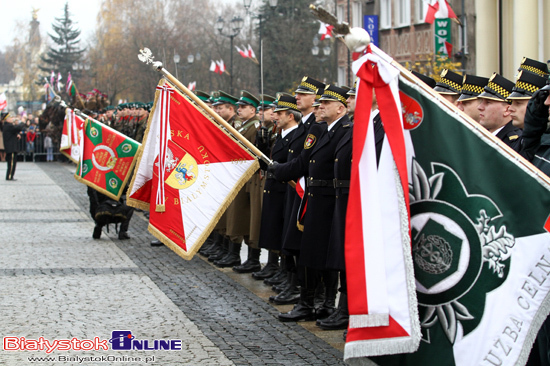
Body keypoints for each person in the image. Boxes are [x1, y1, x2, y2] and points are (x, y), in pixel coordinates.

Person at [271, 85, 352, 322]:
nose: (320, 106)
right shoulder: (322, 129)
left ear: (340, 108)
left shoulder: (346, 130)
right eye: (319, 103)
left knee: (327, 254)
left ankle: (326, 303)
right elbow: (305, 162)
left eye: (325, 104)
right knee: (310, 251)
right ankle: (309, 302)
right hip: (314, 198)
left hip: (331, 200)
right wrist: (279, 170)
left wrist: (279, 170)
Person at [477, 72, 522, 151]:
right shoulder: (481, 135)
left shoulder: (513, 142)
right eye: (481, 102)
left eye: (488, 102)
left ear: (507, 110)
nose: (480, 107)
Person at [3, 114, 26, 181]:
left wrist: (17, 136)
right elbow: (18, 128)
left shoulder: (8, 126)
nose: (12, 119)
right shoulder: (8, 126)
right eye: (10, 118)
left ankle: (10, 175)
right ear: (7, 119)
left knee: (12, 163)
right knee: (12, 163)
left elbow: (13, 133)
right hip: (11, 148)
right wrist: (22, 122)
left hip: (11, 147)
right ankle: (9, 176)